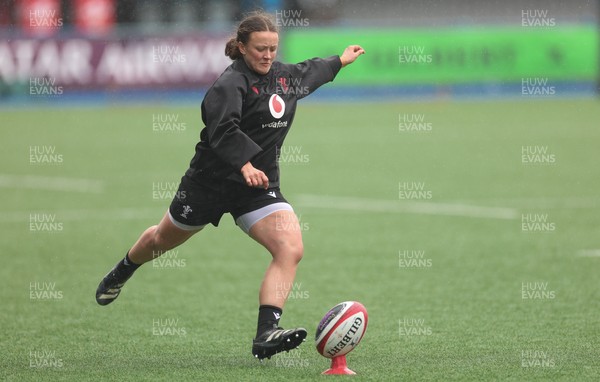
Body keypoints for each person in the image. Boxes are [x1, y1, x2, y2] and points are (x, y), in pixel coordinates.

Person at [95, 10, 365, 360]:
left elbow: (311, 72)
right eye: (259, 49)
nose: (268, 55)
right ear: (241, 47)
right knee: (162, 241)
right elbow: (222, 130)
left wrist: (341, 60)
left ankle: (266, 332)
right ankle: (124, 268)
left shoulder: (283, 78)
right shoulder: (229, 84)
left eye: (273, 48)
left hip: (257, 188)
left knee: (290, 247)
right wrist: (245, 163)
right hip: (209, 184)